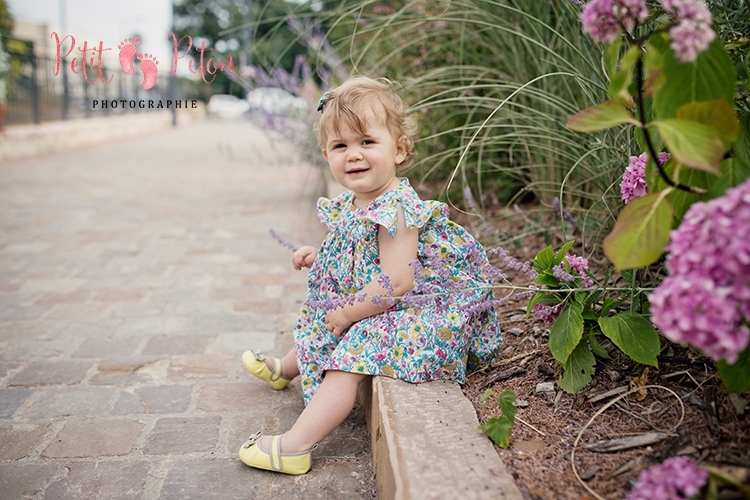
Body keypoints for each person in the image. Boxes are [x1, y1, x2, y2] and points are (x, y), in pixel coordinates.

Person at [239, 76, 502, 475]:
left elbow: (397, 281)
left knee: (352, 347)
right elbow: (354, 247)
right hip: (390, 296)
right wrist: (319, 254)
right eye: (340, 146)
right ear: (326, 154)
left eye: (367, 143)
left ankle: (295, 446)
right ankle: (286, 368)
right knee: (323, 310)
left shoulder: (397, 208)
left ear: (399, 150)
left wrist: (348, 313)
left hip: (425, 310)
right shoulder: (360, 200)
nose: (354, 155)